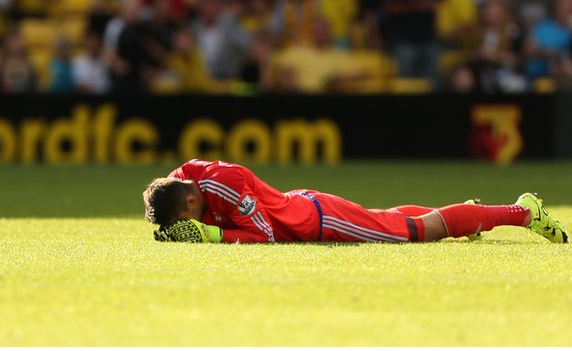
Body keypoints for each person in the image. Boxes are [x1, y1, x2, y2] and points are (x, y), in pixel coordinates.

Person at [142, 159, 568, 244]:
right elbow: (170, 195)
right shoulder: (183, 181)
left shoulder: (222, 187)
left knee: (420, 231)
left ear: (194, 199)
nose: (198, 219)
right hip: (305, 205)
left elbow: (267, 234)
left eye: (193, 215)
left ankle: (523, 211)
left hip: (318, 220)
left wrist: (213, 235)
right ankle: (467, 211)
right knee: (388, 218)